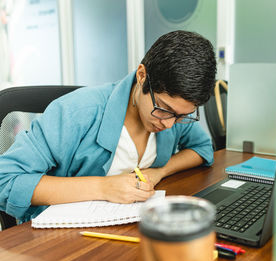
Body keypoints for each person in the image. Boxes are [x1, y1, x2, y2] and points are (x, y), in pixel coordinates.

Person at [0, 30, 216, 223]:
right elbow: (6, 179)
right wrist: (104, 187)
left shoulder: (172, 114)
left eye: (181, 116)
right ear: (142, 76)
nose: (169, 124)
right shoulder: (76, 111)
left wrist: (159, 172)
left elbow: (202, 148)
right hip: (64, 241)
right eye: (163, 109)